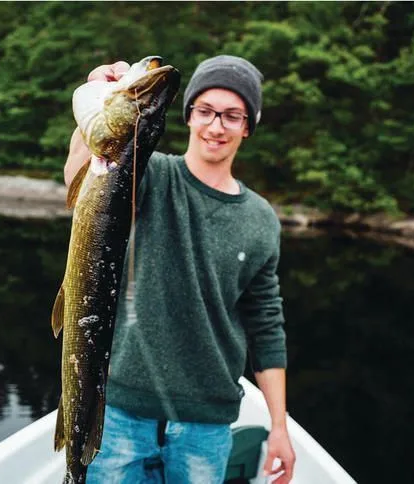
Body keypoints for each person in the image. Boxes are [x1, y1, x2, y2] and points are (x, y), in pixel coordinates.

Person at [63, 55, 295, 484]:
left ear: (247, 126)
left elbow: (266, 325)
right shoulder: (149, 174)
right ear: (189, 116)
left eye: (232, 115)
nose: (216, 125)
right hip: (119, 409)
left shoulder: (262, 219)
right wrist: (99, 100)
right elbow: (83, 174)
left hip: (206, 421)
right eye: (205, 110)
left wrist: (279, 426)